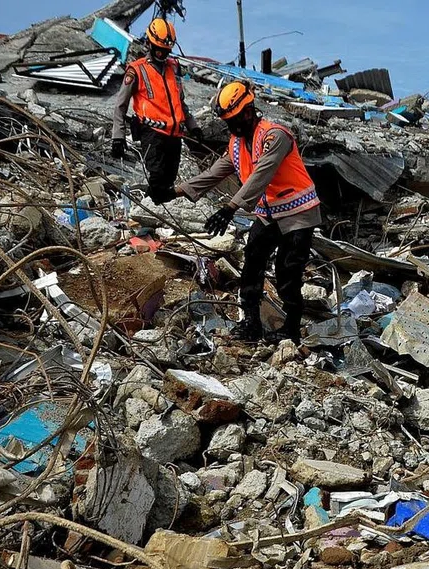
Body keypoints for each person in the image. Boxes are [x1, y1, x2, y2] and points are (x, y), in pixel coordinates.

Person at [171, 81, 321, 343]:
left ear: (249, 112)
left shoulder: (276, 136)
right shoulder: (237, 144)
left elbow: (262, 174)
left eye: (235, 120)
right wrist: (176, 191)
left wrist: (231, 207)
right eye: (228, 121)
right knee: (252, 262)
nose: (232, 126)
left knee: (288, 272)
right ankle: (251, 322)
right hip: (269, 214)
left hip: (298, 213)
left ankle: (291, 328)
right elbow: (215, 173)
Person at [110, 18, 201, 205]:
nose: (162, 54)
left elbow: (180, 103)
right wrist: (118, 136)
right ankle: (148, 211)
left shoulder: (173, 68)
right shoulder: (136, 70)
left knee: (169, 181)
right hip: (152, 133)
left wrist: (193, 127)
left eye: (166, 51)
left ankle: (154, 212)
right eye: (159, 50)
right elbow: (121, 104)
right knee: (157, 178)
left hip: (175, 135)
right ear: (149, 44)